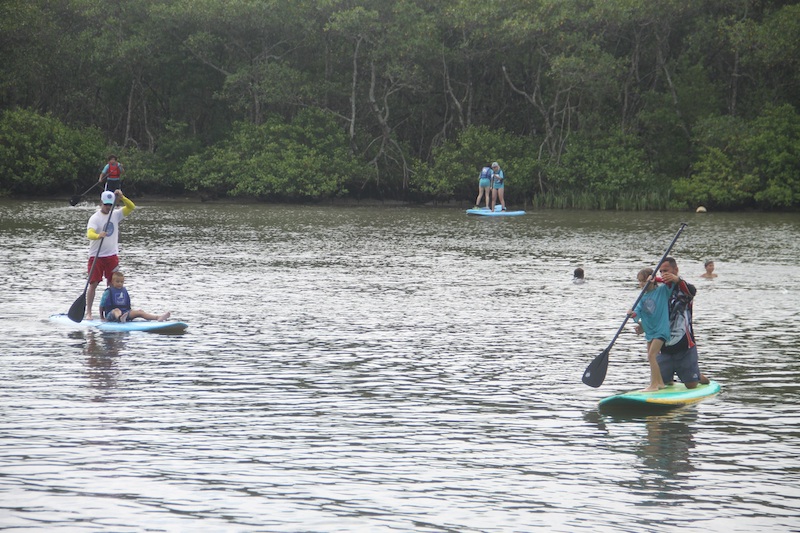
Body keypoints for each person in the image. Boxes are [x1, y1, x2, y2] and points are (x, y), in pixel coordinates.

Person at [650, 257, 710, 389]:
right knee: (661, 381)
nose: (663, 274)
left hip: (685, 346)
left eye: (666, 270)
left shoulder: (685, 290)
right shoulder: (660, 290)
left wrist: (677, 280)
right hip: (665, 346)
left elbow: (692, 291)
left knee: (691, 384)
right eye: (661, 271)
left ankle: (698, 376)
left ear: (675, 270)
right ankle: (670, 376)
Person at [85, 189, 136, 320]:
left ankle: (114, 313)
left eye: (110, 204)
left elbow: (131, 207)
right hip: (96, 256)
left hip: (111, 256)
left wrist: (122, 197)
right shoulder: (95, 218)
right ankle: (89, 312)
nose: (108, 207)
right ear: (101, 203)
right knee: (93, 284)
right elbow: (89, 234)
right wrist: (98, 235)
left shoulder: (116, 215)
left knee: (113, 284)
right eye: (106, 204)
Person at [628, 268, 672, 391]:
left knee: (651, 355)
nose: (641, 284)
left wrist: (656, 279)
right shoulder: (642, 298)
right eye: (639, 281)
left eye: (643, 281)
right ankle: (659, 383)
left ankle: (653, 385)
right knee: (652, 357)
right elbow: (637, 311)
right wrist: (632, 314)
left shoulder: (662, 291)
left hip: (661, 330)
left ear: (651, 279)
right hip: (650, 331)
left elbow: (671, 282)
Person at [99, 271, 171, 322]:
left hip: (125, 313)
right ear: (112, 282)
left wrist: (131, 313)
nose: (120, 284)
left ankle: (158, 317)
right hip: (111, 314)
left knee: (140, 312)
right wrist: (102, 317)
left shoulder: (124, 290)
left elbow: (127, 306)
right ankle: (120, 318)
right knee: (117, 310)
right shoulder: (108, 292)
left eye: (121, 282)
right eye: (117, 282)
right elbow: (101, 305)